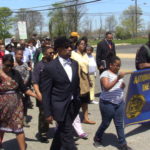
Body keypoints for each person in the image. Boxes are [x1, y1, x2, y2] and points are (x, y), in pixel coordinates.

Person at [41, 37, 81, 150]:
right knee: (68, 136)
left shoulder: (75, 64)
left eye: (71, 47)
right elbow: (46, 93)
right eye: (66, 47)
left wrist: (78, 99)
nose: (69, 49)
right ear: (58, 49)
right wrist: (47, 113)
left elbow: (76, 84)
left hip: (73, 104)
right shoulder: (50, 68)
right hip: (60, 107)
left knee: (62, 132)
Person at [0, 54, 39, 150]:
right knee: (1, 126)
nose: (9, 68)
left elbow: (24, 88)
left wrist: (36, 95)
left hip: (16, 107)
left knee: (19, 128)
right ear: (2, 63)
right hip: (2, 106)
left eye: (11, 65)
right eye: (7, 65)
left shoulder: (15, 73)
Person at [93, 56, 132, 150]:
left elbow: (119, 87)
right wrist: (118, 78)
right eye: (116, 65)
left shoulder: (117, 75)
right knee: (106, 123)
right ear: (110, 65)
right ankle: (97, 138)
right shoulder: (105, 74)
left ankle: (123, 144)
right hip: (107, 104)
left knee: (119, 124)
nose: (118, 67)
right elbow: (106, 87)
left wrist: (122, 85)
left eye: (119, 66)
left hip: (119, 103)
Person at [32, 46, 54, 143]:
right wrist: (38, 93)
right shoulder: (39, 66)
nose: (52, 54)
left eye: (53, 53)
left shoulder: (54, 64)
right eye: (50, 53)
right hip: (42, 93)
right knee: (43, 114)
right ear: (45, 54)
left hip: (53, 93)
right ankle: (43, 133)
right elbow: (35, 81)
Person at [71, 39, 96, 124]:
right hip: (77, 78)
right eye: (81, 44)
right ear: (77, 45)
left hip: (85, 78)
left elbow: (87, 67)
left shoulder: (85, 55)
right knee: (77, 99)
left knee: (85, 99)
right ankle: (73, 120)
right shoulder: (73, 54)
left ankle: (85, 118)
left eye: (84, 44)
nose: (83, 45)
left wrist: (89, 80)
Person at [13, 48, 31, 127]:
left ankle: (24, 120)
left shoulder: (25, 64)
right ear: (15, 55)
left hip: (24, 87)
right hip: (15, 88)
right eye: (19, 54)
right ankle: (14, 120)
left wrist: (24, 83)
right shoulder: (12, 65)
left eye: (22, 55)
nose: (21, 56)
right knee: (15, 104)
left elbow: (28, 74)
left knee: (25, 104)